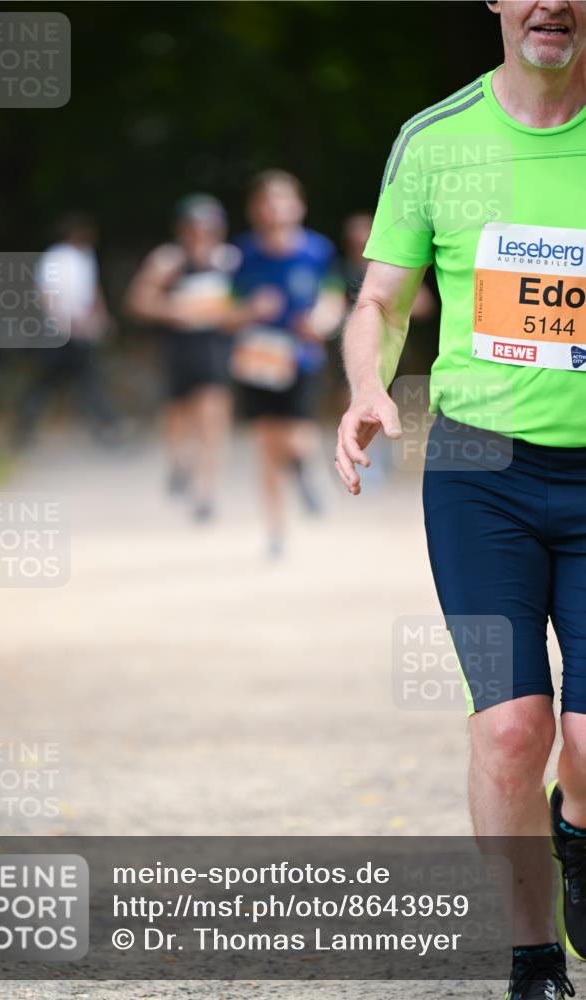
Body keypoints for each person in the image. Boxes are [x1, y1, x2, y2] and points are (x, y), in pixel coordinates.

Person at [336, 2, 585, 998]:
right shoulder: (435, 140)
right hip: (481, 471)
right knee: (510, 727)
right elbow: (381, 301)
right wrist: (364, 386)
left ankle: (573, 828)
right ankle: (532, 958)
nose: (550, 1)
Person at [232, 170, 345, 556]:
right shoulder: (242, 254)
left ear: (299, 205)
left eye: (283, 199)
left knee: (298, 437)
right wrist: (248, 310)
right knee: (266, 445)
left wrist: (321, 323)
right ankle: (276, 531)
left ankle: (305, 468)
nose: (275, 208)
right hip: (258, 359)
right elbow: (223, 308)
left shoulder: (318, 251)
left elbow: (333, 300)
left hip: (301, 358)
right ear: (255, 209)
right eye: (266, 200)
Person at [126, 195, 254, 520]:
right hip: (178, 349)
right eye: (195, 227)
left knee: (212, 414)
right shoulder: (168, 260)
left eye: (208, 227)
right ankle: (179, 462)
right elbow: (138, 301)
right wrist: (174, 310)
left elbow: (246, 302)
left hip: (215, 347)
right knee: (179, 416)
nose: (201, 234)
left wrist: (231, 314)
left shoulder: (230, 260)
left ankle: (206, 491)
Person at [15, 213, 119, 444]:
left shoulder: (85, 258)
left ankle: (107, 427)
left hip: (79, 331)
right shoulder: (56, 258)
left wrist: (99, 317)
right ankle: (24, 428)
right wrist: (62, 322)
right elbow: (48, 295)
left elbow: (92, 291)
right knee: (54, 381)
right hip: (58, 330)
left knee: (83, 380)